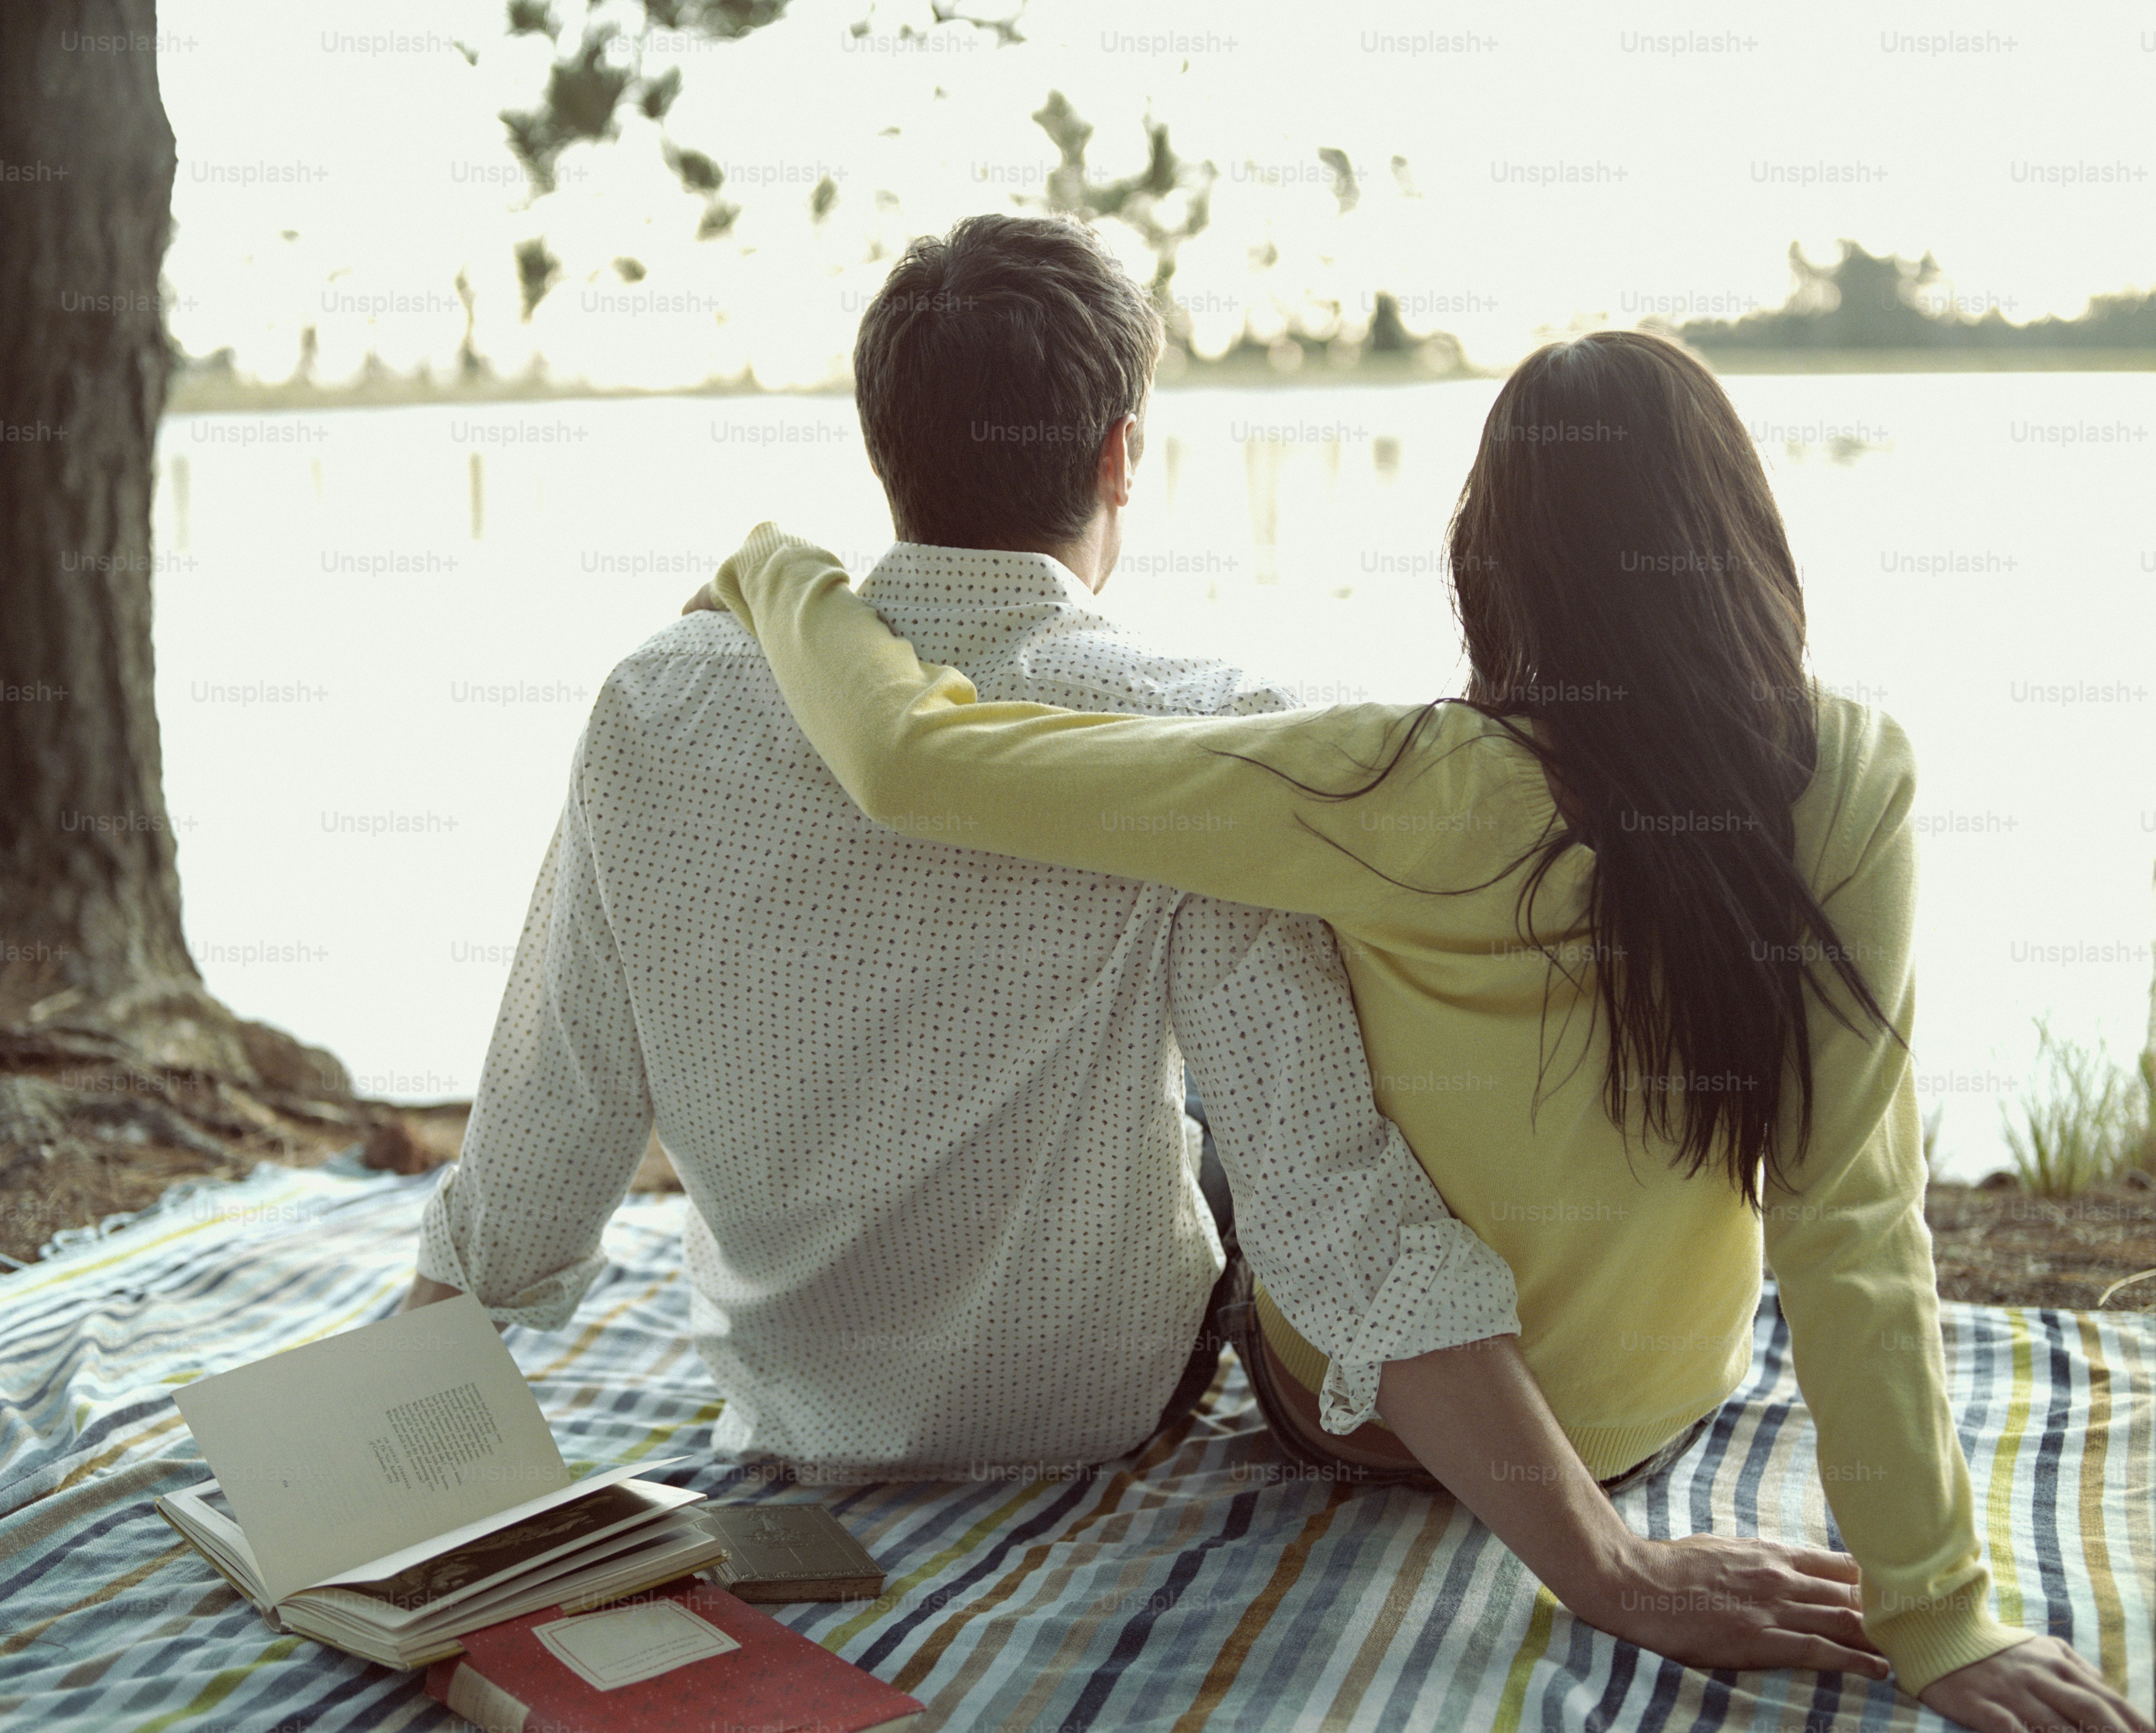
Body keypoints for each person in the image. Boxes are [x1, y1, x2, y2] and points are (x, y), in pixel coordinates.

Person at [403, 215, 1881, 1679]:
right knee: (1277, 1082)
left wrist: (382, 1477)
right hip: (1106, 1405)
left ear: (884, 446)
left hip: (795, 1410)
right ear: (1120, 455)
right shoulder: (1203, 717)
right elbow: (1338, 1212)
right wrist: (1604, 1566)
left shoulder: (659, 703)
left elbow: (548, 1138)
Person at [690, 326, 2151, 1732]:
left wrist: (774, 568)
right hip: (1657, 1409)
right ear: (1740, 548)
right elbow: (1851, 1214)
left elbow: (913, 760)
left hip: (1373, 1428)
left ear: (1489, 563)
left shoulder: (1390, 783)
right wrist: (1934, 1608)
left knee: (1224, 1093)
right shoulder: (1851, 773)